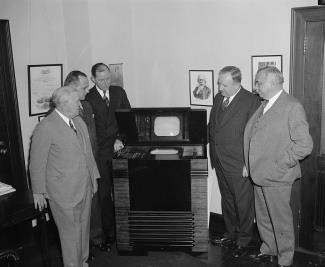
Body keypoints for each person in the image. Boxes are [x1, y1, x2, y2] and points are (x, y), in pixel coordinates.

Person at [244, 66, 313, 267]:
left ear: (273, 83)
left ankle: (285, 259)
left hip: (276, 176)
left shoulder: (292, 106)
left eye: (259, 82)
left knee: (280, 221)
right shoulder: (265, 103)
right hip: (259, 173)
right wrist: (250, 164)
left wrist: (279, 165)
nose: (255, 87)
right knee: (264, 217)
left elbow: (305, 145)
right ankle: (269, 248)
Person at [29, 86, 100, 267]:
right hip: (62, 193)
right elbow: (36, 162)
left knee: (83, 231)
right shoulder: (45, 127)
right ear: (63, 105)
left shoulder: (78, 121)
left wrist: (94, 177)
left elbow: (88, 154)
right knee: (70, 236)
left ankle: (82, 262)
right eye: (77, 101)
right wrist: (38, 192)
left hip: (84, 187)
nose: (80, 105)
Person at [209, 66, 260, 257]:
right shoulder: (218, 98)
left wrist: (249, 162)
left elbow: (255, 135)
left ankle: (244, 239)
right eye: (219, 83)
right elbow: (214, 125)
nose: (220, 87)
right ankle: (230, 234)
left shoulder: (251, 101)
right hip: (220, 160)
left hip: (239, 163)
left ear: (237, 83)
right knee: (228, 200)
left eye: (224, 84)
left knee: (243, 202)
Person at [64, 71, 109, 256]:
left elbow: (94, 135)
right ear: (72, 87)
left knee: (95, 204)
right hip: (77, 169)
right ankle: (84, 248)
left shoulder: (87, 106)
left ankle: (97, 239)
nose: (87, 90)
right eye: (83, 87)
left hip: (93, 162)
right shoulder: (65, 110)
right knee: (81, 211)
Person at [85, 63, 131, 246]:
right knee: (104, 195)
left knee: (122, 192)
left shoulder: (119, 92)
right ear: (93, 79)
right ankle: (109, 233)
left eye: (108, 79)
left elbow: (127, 119)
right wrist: (108, 144)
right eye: (101, 80)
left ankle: (125, 230)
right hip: (101, 154)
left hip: (120, 150)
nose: (105, 83)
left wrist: (120, 138)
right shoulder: (88, 98)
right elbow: (91, 131)